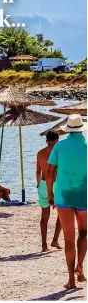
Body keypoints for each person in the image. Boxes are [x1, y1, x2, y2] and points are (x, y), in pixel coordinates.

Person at [47, 114, 87, 289]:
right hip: (83, 193)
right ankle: (80, 266)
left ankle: (71, 280)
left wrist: (50, 193)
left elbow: (49, 172)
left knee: (69, 239)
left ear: (68, 129)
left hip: (63, 194)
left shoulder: (59, 146)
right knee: (84, 233)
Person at [36, 130, 62, 252]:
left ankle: (44, 245)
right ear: (58, 140)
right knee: (62, 213)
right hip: (56, 184)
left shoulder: (40, 153)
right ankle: (55, 239)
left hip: (43, 184)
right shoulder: (59, 152)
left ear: (47, 141)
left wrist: (39, 184)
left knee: (44, 217)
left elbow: (38, 172)